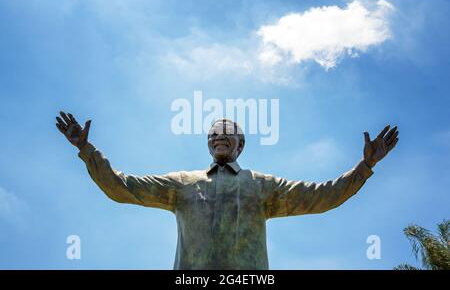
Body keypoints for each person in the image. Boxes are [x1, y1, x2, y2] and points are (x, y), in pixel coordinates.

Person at [56, 111, 399, 269]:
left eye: (227, 132)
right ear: (208, 144)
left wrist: (364, 167)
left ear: (240, 144)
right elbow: (122, 188)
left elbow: (321, 196)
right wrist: (87, 150)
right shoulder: (182, 184)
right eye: (213, 133)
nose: (219, 135)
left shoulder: (262, 186)